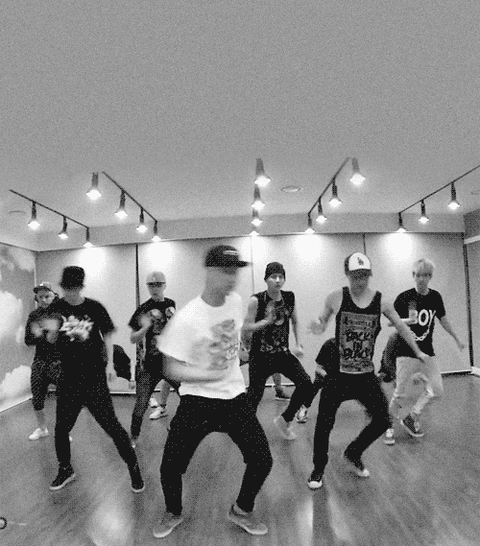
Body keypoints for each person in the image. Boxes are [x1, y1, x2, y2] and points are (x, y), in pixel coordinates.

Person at [154, 245, 273, 539]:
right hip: (198, 401)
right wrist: (207, 375)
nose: (233, 279)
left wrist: (241, 352)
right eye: (226, 272)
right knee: (171, 466)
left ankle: (241, 510)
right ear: (209, 271)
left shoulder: (235, 301)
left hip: (234, 397)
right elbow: (170, 368)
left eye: (235, 272)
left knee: (262, 459)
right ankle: (173, 512)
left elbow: (235, 333)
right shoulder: (187, 318)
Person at [307, 252, 428, 490]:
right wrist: (317, 326)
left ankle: (353, 452)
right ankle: (318, 468)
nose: (360, 281)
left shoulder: (381, 302)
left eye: (364, 275)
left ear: (369, 275)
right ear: (347, 274)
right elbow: (322, 321)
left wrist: (418, 351)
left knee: (383, 420)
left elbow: (402, 327)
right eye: (355, 276)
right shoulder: (336, 297)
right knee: (324, 423)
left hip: (364, 376)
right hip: (338, 375)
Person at [38, 266, 144, 493]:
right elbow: (50, 339)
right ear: (63, 287)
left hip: (94, 377)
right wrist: (53, 330)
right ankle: (65, 469)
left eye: (74, 288)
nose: (70, 292)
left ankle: (134, 468)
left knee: (112, 426)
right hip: (68, 377)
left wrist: (110, 364)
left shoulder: (94, 307)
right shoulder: (56, 308)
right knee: (61, 428)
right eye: (66, 288)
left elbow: (108, 335)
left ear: (80, 287)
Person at [386, 258, 465, 444]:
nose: (422, 279)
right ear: (413, 276)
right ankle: (388, 426)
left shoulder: (435, 297)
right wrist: (408, 320)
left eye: (426, 275)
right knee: (400, 394)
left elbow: (443, 320)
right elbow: (392, 322)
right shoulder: (405, 297)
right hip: (405, 352)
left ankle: (411, 417)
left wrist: (456, 338)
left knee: (436, 390)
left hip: (427, 352)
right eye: (418, 275)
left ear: (430, 277)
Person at [243, 262, 313, 440]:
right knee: (254, 396)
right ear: (266, 279)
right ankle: (244, 429)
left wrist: (299, 344)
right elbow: (246, 327)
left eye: (281, 277)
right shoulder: (257, 300)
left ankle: (285, 420)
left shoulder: (289, 297)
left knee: (305, 383)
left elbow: (295, 321)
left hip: (282, 354)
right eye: (273, 277)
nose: (277, 280)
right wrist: (265, 322)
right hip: (260, 356)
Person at [129, 271, 176, 447]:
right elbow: (133, 338)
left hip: (170, 362)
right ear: (147, 287)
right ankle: (133, 437)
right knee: (141, 404)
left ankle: (177, 427)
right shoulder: (143, 309)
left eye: (158, 285)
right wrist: (145, 328)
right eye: (151, 285)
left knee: (189, 397)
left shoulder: (171, 304)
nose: (155, 288)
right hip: (151, 364)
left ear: (164, 285)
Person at [24, 282, 60, 440]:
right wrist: (44, 334)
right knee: (37, 398)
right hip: (40, 361)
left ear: (54, 296)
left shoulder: (61, 314)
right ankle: (42, 428)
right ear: (36, 298)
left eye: (47, 296)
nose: (44, 299)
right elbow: (28, 340)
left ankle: (64, 430)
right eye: (40, 297)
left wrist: (44, 332)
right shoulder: (34, 316)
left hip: (59, 362)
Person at [295, 337, 337, 424]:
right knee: (318, 382)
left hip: (345, 374)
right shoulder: (329, 345)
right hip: (328, 374)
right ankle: (304, 407)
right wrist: (329, 378)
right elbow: (319, 368)